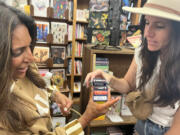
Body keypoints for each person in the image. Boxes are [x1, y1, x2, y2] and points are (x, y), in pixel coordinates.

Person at [0, 2, 119, 135]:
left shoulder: (22, 66)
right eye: (19, 51)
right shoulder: (4, 119)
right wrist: (86, 118)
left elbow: (36, 84)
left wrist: (55, 94)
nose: (31, 57)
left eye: (29, 46)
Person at [84, 0, 180, 135]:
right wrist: (107, 77)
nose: (148, 33)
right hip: (142, 122)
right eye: (147, 23)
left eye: (159, 26)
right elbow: (127, 84)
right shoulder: (142, 52)